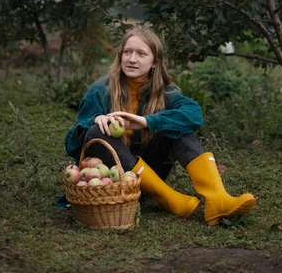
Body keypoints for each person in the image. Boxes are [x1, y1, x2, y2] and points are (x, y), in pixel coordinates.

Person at [65, 27, 256, 225]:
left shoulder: (164, 93)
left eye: (141, 54)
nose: (132, 59)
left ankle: (218, 199)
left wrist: (148, 122)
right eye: (127, 52)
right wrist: (94, 120)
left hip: (151, 170)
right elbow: (71, 144)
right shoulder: (100, 90)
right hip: (113, 181)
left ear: (154, 61)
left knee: (177, 126)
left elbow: (194, 115)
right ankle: (169, 199)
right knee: (97, 130)